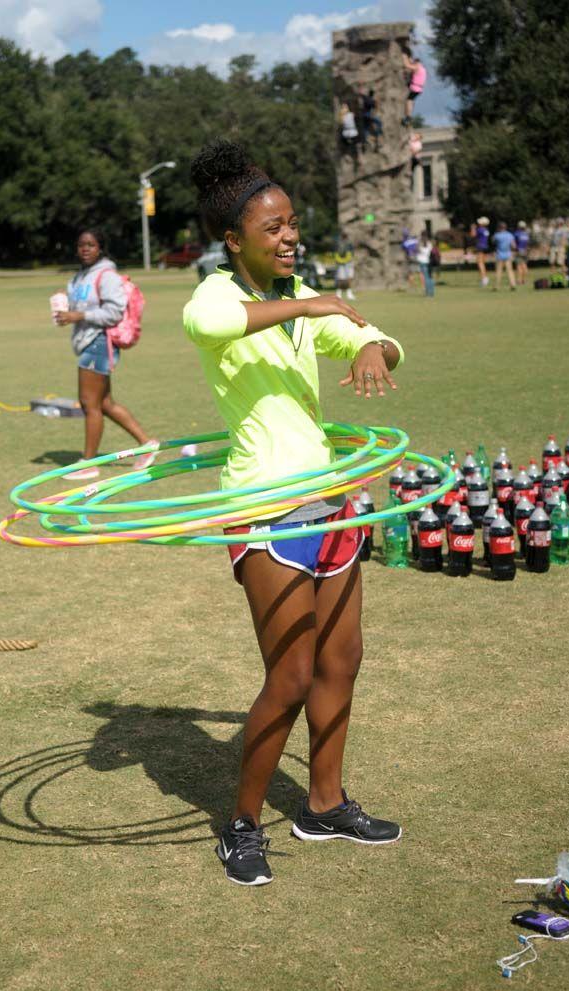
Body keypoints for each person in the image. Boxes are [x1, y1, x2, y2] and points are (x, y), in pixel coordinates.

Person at [183, 140, 404, 886]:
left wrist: (375, 346)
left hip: (331, 504)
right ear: (233, 239)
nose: (288, 237)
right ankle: (241, 825)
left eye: (292, 224)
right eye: (272, 228)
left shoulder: (304, 302)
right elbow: (211, 327)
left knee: (344, 658)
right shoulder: (218, 294)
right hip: (267, 508)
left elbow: (369, 332)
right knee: (292, 671)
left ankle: (324, 801)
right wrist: (312, 302)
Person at [55, 228, 158, 480]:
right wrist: (65, 313)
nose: (85, 249)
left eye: (90, 245)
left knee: (89, 403)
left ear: (100, 247)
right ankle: (147, 445)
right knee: (104, 403)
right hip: (85, 340)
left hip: (99, 343)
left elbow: (114, 312)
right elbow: (80, 308)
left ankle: (89, 463)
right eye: (81, 245)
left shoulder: (107, 276)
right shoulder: (78, 278)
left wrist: (79, 315)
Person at [402, 53, 426, 125]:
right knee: (411, 101)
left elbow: (407, 65)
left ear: (416, 62)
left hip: (415, 88)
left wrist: (404, 57)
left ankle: (408, 117)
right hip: (419, 88)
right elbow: (411, 66)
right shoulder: (422, 68)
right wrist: (410, 60)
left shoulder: (417, 67)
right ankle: (409, 115)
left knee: (408, 100)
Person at [492, 221, 517, 291]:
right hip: (508, 255)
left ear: (499, 228)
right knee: (510, 270)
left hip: (499, 255)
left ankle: (496, 286)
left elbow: (493, 242)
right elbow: (514, 245)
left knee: (498, 271)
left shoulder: (497, 235)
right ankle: (513, 285)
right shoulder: (510, 235)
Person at [334, 232, 356, 300]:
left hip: (345, 263)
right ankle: (340, 293)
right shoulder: (340, 243)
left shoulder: (347, 243)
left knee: (345, 278)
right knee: (343, 278)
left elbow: (351, 253)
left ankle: (347, 293)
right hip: (344, 263)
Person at [360, 87, 383, 152]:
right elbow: (376, 107)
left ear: (368, 93)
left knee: (366, 128)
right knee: (379, 122)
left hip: (364, 115)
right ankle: (378, 134)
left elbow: (361, 94)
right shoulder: (372, 101)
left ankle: (365, 140)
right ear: (373, 94)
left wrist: (360, 86)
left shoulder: (365, 97)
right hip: (369, 116)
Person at [415, 232, 435, 296]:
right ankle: (431, 292)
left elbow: (417, 251)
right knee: (430, 277)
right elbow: (430, 251)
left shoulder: (419, 244)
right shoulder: (429, 244)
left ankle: (428, 292)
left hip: (422, 262)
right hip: (428, 262)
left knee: (426, 278)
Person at [474, 217, 490, 286]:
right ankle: (484, 277)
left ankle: (484, 278)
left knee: (480, 263)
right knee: (483, 263)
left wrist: (473, 228)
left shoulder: (480, 229)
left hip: (480, 247)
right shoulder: (486, 230)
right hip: (485, 247)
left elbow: (473, 235)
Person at [514, 220, 530, 285]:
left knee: (519, 266)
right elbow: (527, 244)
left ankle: (519, 280)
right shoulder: (526, 234)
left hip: (519, 251)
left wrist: (514, 250)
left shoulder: (517, 233)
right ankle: (524, 280)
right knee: (524, 265)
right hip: (525, 251)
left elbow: (514, 243)